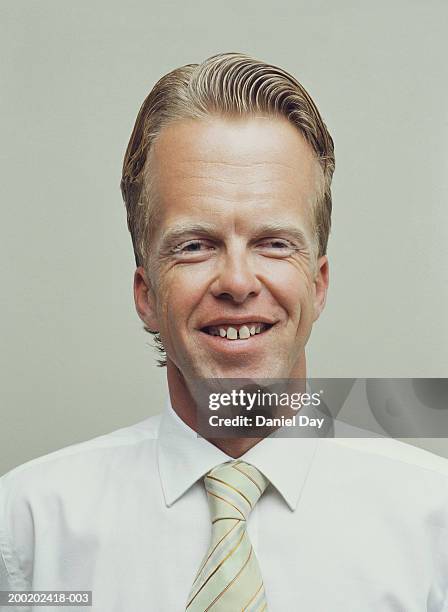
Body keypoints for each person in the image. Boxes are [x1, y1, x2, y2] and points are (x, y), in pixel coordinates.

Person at [1, 52, 447, 611]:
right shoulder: (30, 526)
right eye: (195, 245)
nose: (237, 281)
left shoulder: (436, 522)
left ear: (319, 283)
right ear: (147, 294)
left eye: (273, 242)